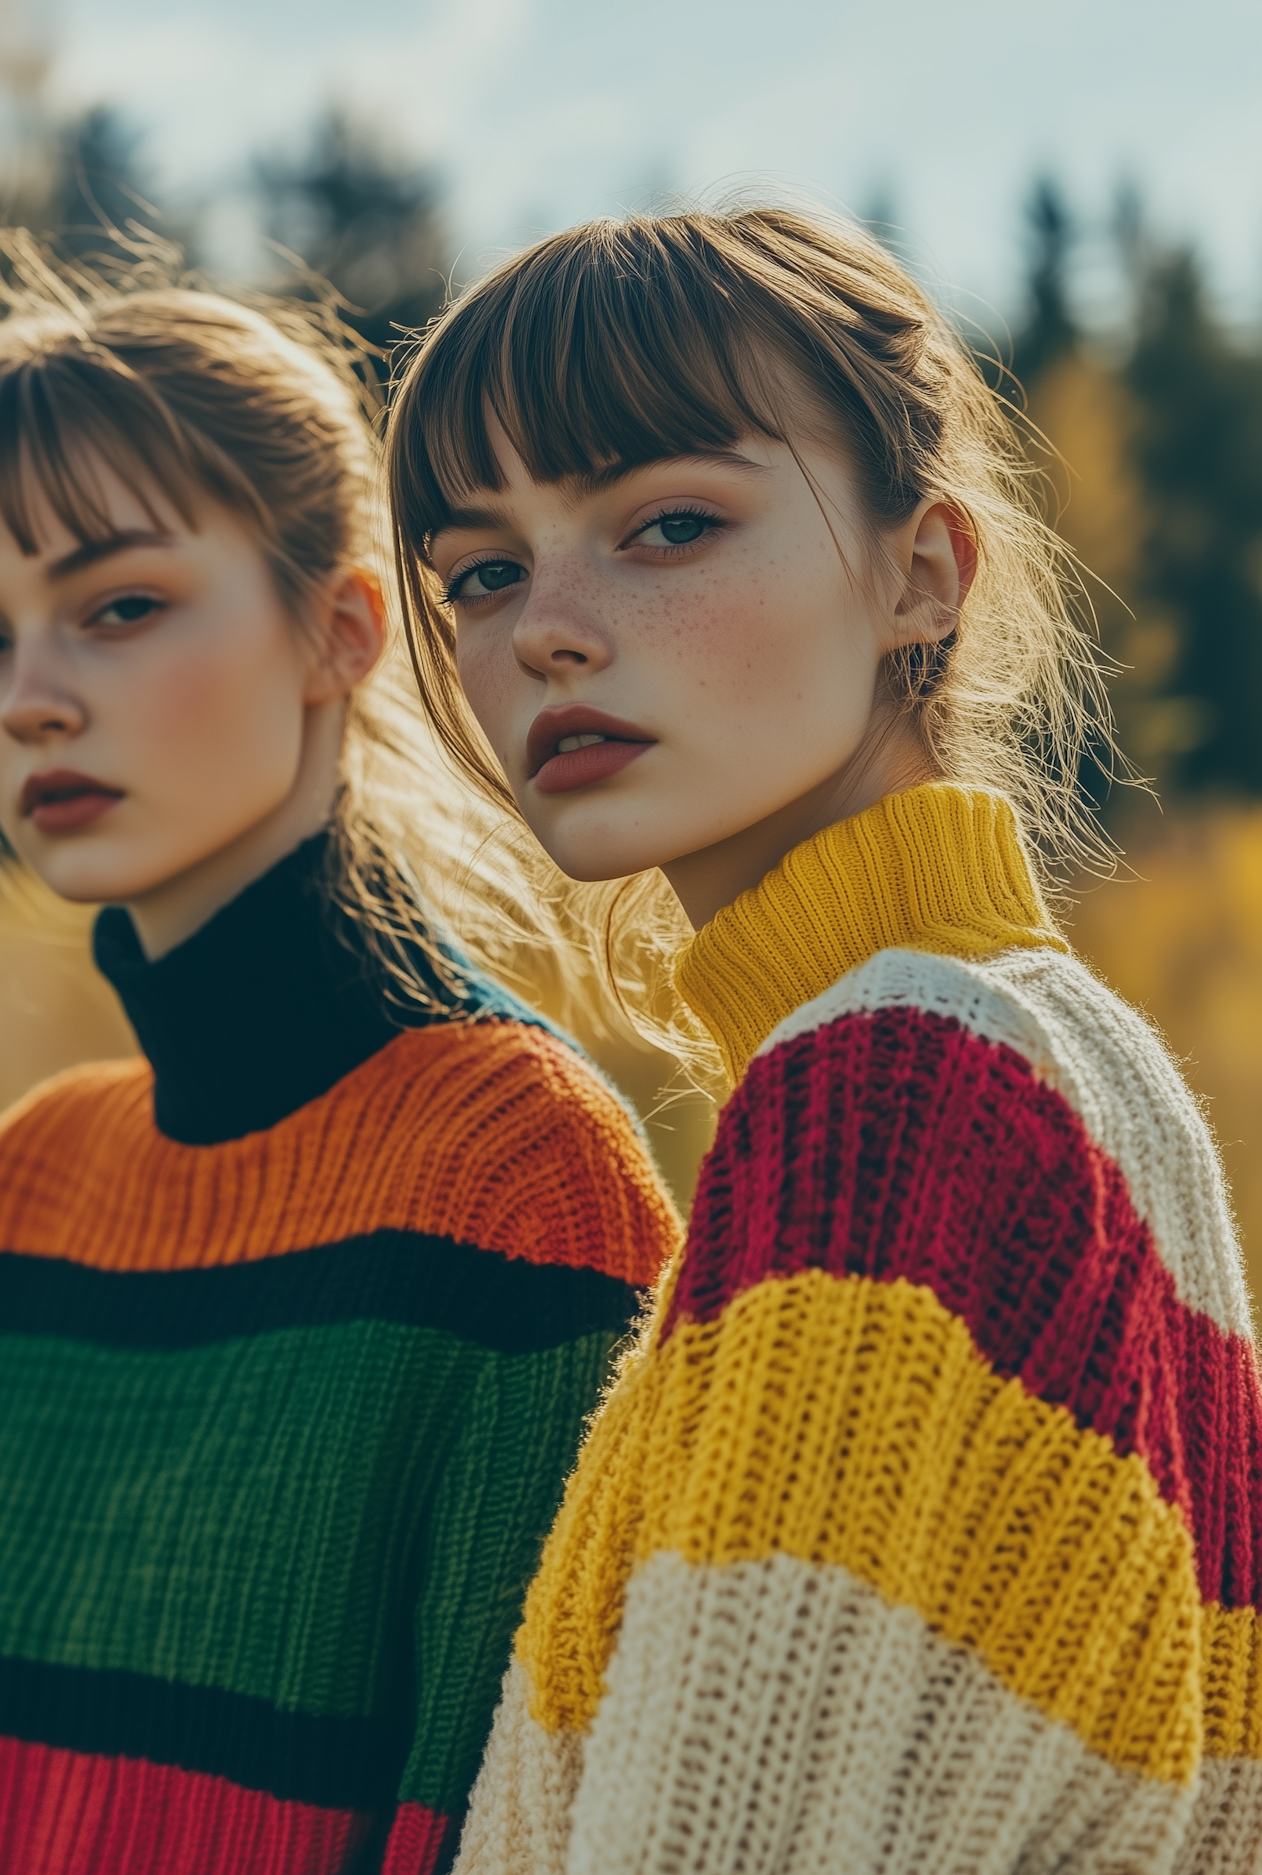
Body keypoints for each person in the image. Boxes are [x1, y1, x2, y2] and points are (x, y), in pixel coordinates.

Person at [0, 235, 680, 1875]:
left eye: (118, 607)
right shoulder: (36, 1181)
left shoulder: (515, 1175)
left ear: (339, 629)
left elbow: (511, 1815)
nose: (30, 697)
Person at [385, 206, 1262, 1873]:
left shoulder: (895, 1088)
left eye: (667, 524)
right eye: (483, 570)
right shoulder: (1077, 1054)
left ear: (922, 570)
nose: (545, 629)